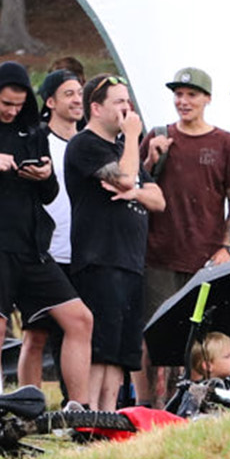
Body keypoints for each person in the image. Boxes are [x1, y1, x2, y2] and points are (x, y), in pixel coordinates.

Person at [0, 62, 94, 403]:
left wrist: (45, 176)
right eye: (5, 104)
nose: (12, 111)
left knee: (80, 319)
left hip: (31, 246)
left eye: (18, 104)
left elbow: (50, 194)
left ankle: (79, 409)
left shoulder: (33, 132)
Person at [139, 67, 230, 404]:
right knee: (157, 335)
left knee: (200, 335)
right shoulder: (158, 135)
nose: (183, 101)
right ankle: (154, 407)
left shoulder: (226, 143)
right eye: (178, 94)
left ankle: (196, 403)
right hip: (158, 255)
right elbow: (135, 184)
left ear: (207, 99)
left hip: (206, 259)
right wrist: (150, 158)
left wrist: (226, 247)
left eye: (191, 95)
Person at [65, 75, 162, 410]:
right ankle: (89, 413)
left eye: (128, 102)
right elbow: (122, 178)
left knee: (120, 352)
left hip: (131, 258)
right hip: (100, 257)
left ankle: (109, 416)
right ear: (96, 107)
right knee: (100, 345)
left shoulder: (123, 149)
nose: (126, 108)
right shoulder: (85, 144)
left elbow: (158, 198)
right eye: (118, 102)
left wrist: (135, 190)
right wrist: (135, 138)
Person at [18, 67, 84, 392]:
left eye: (80, 93)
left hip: (83, 252)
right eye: (69, 94)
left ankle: (77, 404)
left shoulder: (89, 141)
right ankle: (29, 405)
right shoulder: (38, 139)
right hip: (45, 251)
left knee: (79, 327)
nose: (77, 100)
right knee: (36, 333)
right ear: (51, 101)